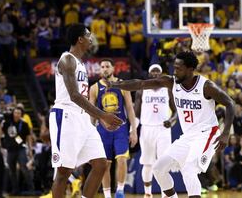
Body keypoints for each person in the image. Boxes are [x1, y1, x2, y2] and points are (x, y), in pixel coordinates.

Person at [108, 51, 235, 198]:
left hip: (207, 133)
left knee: (189, 169)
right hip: (188, 136)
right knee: (158, 168)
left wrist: (225, 133)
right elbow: (141, 84)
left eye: (178, 69)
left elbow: (230, 103)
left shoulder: (206, 86)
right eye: (174, 68)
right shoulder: (172, 82)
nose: (175, 72)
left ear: (190, 69)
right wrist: (117, 85)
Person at [49, 23, 123, 198]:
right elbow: (74, 95)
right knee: (63, 173)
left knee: (101, 164)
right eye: (88, 35)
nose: (91, 39)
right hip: (65, 116)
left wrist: (96, 117)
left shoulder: (81, 63)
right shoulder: (67, 60)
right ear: (80, 39)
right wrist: (103, 115)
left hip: (83, 118)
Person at [89, 58, 138, 198]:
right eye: (102, 67)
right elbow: (91, 112)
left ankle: (120, 191)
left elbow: (129, 108)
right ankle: (107, 195)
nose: (104, 69)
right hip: (103, 131)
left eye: (107, 66)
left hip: (121, 128)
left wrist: (133, 130)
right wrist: (90, 132)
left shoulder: (122, 85)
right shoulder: (94, 88)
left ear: (113, 69)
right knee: (105, 164)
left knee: (122, 159)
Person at [134, 64, 177, 198]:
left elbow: (176, 112)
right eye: (153, 71)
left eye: (158, 71)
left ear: (161, 74)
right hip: (146, 128)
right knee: (147, 163)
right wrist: (132, 130)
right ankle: (148, 193)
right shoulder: (142, 90)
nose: (155, 74)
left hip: (163, 129)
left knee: (163, 162)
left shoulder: (168, 90)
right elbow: (136, 114)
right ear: (149, 73)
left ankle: (165, 193)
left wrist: (171, 121)